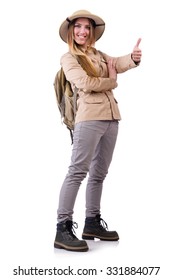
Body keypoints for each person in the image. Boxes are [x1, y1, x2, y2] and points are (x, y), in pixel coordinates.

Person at [54, 10, 142, 252]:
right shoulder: (69, 58)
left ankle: (91, 223)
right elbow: (84, 83)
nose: (83, 31)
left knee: (99, 174)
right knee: (77, 172)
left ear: (92, 33)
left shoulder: (98, 54)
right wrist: (111, 81)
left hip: (111, 118)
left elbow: (116, 63)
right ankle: (62, 228)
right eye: (78, 27)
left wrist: (132, 58)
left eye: (87, 28)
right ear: (71, 31)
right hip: (89, 119)